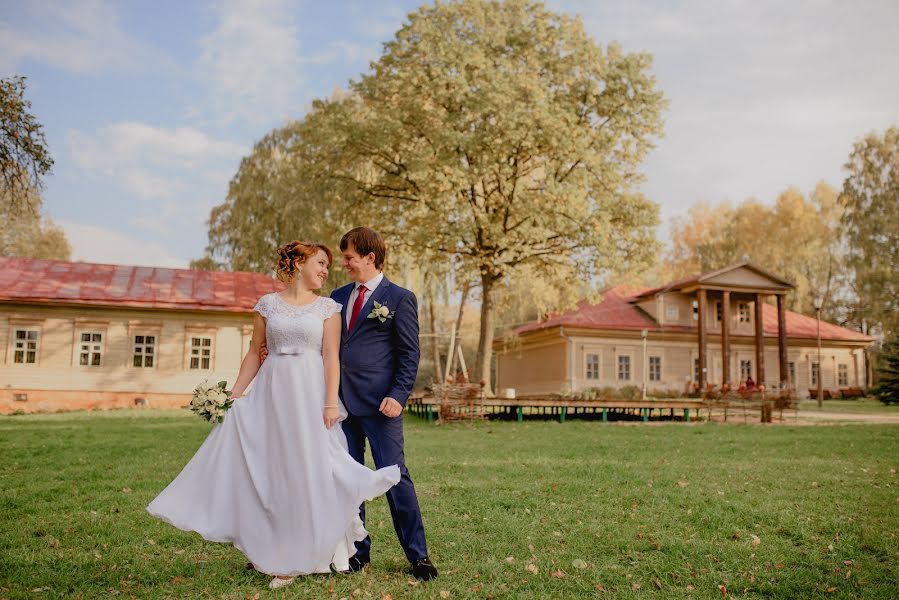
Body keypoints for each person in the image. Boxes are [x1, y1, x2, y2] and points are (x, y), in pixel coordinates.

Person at [146, 241, 400, 590]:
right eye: (321, 263)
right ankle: (269, 544)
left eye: (329, 264)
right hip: (272, 391)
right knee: (271, 468)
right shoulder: (267, 305)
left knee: (306, 468)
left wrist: (329, 403)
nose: (327, 271)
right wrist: (234, 394)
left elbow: (331, 358)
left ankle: (305, 549)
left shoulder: (329, 308)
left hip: (309, 394)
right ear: (298, 263)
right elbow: (254, 353)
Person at [332, 227, 438, 581]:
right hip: (341, 406)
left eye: (348, 257)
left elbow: (410, 354)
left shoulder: (399, 298)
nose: (344, 264)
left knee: (395, 477)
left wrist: (398, 394)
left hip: (382, 406)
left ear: (369, 257)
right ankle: (357, 551)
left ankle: (418, 555)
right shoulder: (337, 296)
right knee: (348, 479)